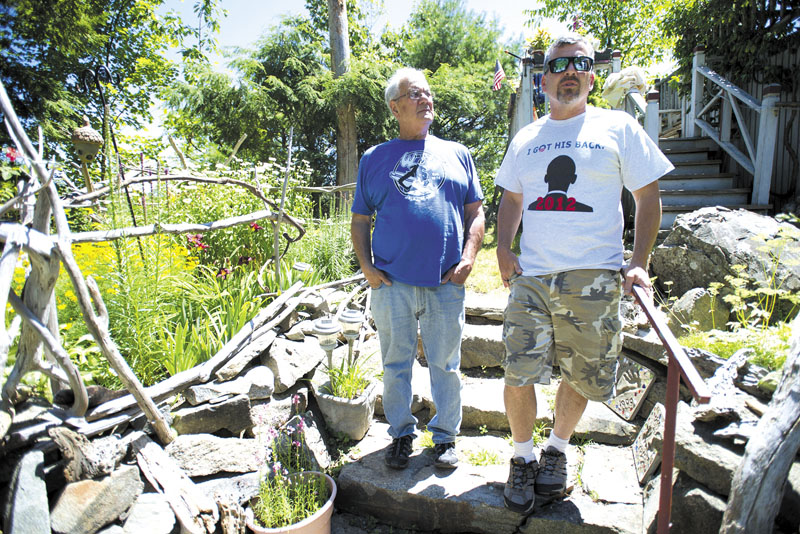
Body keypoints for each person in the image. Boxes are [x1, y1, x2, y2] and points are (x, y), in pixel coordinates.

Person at [494, 33, 673, 514]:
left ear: (592, 75)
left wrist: (637, 263)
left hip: (594, 278)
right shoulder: (526, 137)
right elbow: (512, 199)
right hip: (531, 276)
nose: (568, 71)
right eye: (558, 65)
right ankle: (522, 456)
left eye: (580, 64)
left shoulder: (618, 127)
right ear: (543, 79)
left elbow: (648, 197)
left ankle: (556, 449)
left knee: (582, 374)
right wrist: (503, 247)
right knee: (519, 370)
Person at [351, 67, 485, 470]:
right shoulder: (375, 158)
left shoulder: (457, 152)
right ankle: (400, 434)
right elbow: (359, 218)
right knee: (395, 365)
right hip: (392, 283)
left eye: (428, 92)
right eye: (415, 93)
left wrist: (469, 258)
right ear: (395, 107)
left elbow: (476, 212)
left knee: (446, 364)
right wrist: (366, 267)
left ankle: (445, 438)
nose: (426, 98)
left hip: (445, 282)